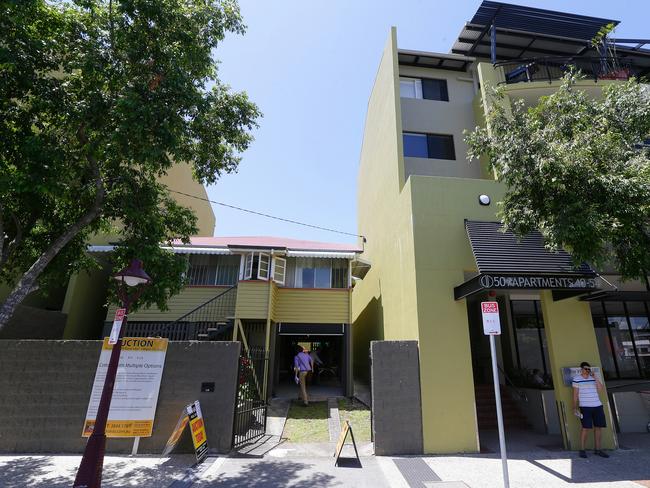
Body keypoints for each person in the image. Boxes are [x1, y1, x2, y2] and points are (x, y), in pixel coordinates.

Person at [572, 361, 609, 459]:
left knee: (598, 427)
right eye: (585, 368)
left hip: (597, 405)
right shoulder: (577, 379)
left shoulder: (593, 378)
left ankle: (598, 449)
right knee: (585, 427)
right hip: (585, 406)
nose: (587, 370)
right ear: (581, 369)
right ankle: (582, 449)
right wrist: (574, 407)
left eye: (589, 368)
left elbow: (601, 389)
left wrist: (595, 377)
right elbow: (575, 394)